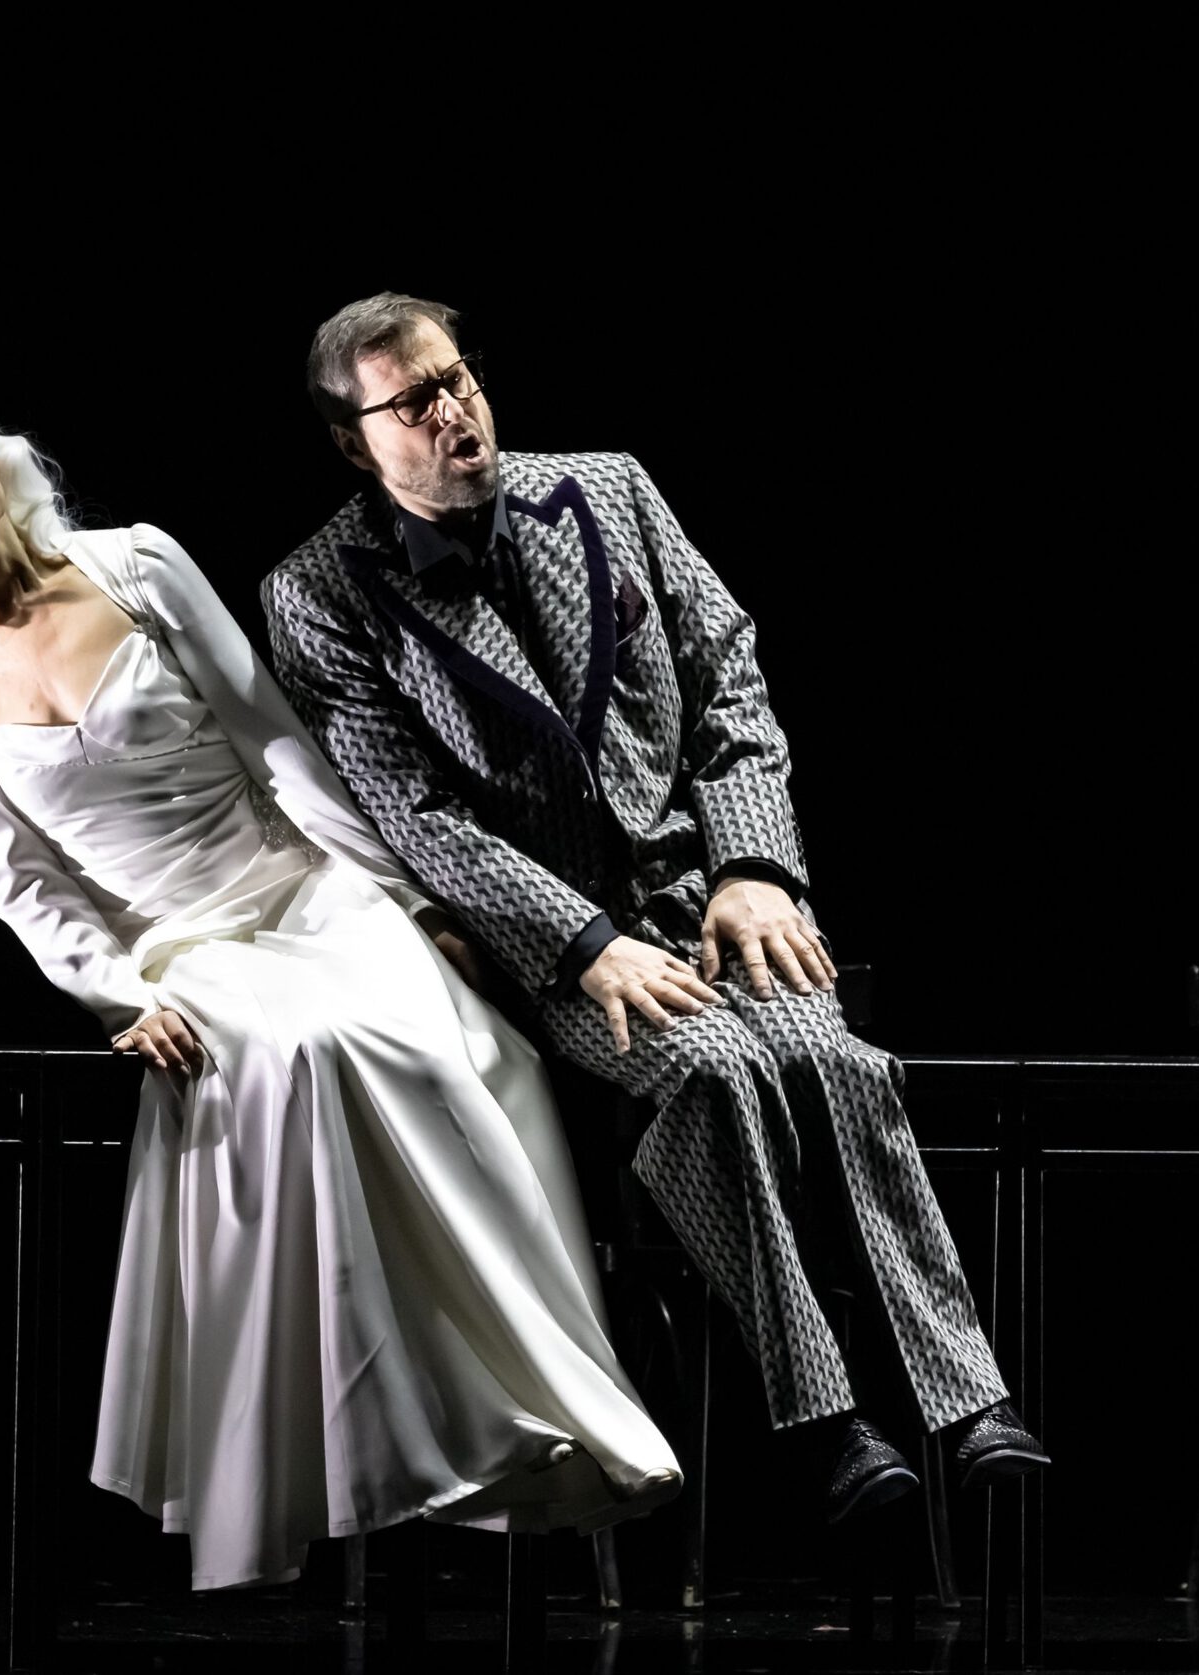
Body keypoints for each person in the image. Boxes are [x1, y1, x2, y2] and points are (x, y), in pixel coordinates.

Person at [0, 366, 679, 1590]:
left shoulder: (136, 565)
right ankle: (375, 1447)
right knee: (297, 1058)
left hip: (305, 888)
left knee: (454, 1053)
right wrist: (121, 994)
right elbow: (17, 880)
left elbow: (276, 741)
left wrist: (404, 901)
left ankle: (529, 1408)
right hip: (185, 945)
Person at [262, 295, 1047, 1524]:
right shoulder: (320, 592)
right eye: (414, 401)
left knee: (835, 1061)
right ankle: (828, 1424)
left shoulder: (609, 490)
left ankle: (967, 1403)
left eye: (459, 378)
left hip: (702, 895)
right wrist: (585, 945)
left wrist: (755, 869)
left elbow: (730, 680)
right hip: (554, 948)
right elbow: (416, 817)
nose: (456, 410)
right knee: (714, 1073)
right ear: (354, 443)